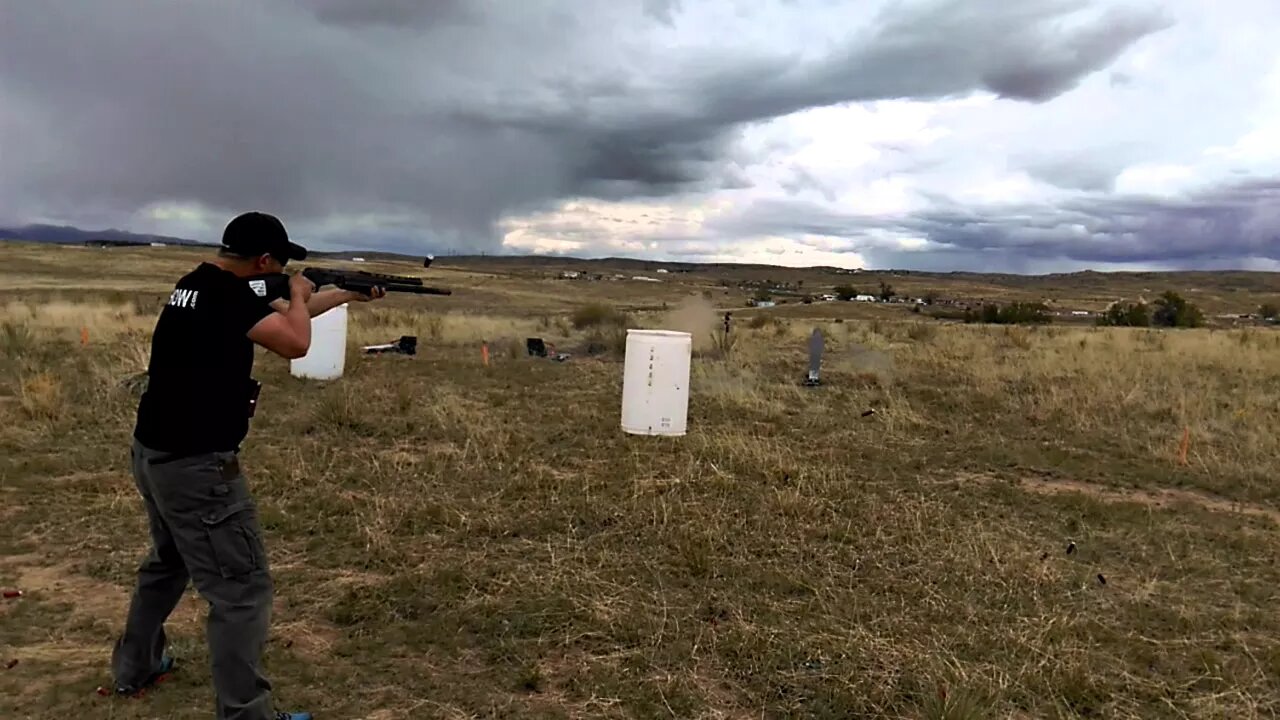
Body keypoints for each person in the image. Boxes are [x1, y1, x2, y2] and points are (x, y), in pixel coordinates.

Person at [110, 211, 384, 720]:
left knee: (166, 566)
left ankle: (137, 667)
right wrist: (299, 294)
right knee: (242, 593)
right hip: (198, 468)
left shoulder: (197, 285)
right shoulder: (229, 297)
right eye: (279, 265)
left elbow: (284, 318)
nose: (280, 274)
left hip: (156, 455)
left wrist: (347, 294)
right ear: (262, 261)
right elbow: (296, 341)